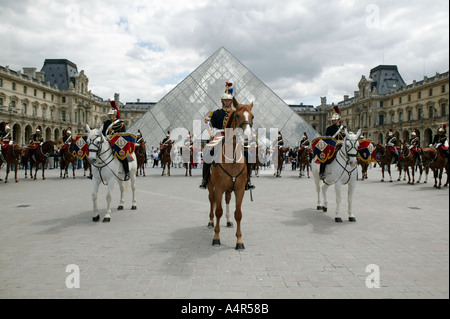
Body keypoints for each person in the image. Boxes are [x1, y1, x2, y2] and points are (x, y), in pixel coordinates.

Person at [199, 83, 255, 191]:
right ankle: (205, 179)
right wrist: (210, 127)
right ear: (222, 101)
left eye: (229, 100)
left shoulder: (236, 113)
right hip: (220, 136)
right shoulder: (216, 113)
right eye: (225, 100)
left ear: (231, 102)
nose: (227, 102)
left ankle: (247, 180)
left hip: (234, 137)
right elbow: (212, 126)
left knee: (248, 154)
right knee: (208, 154)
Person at [101, 101, 130, 181]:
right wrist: (105, 138)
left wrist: (113, 138)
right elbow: (103, 133)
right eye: (109, 115)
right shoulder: (106, 123)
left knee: (122, 155)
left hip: (116, 143)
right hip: (107, 141)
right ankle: (95, 172)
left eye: (111, 115)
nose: (110, 116)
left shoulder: (121, 124)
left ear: (115, 115)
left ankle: (127, 172)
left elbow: (122, 135)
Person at [319, 106, 345, 179]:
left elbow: (346, 137)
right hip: (333, 145)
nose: (333, 121)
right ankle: (321, 172)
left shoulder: (344, 128)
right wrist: (336, 143)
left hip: (343, 145)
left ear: (338, 120)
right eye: (332, 120)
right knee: (325, 157)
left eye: (334, 120)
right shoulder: (329, 128)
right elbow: (327, 138)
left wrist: (343, 142)